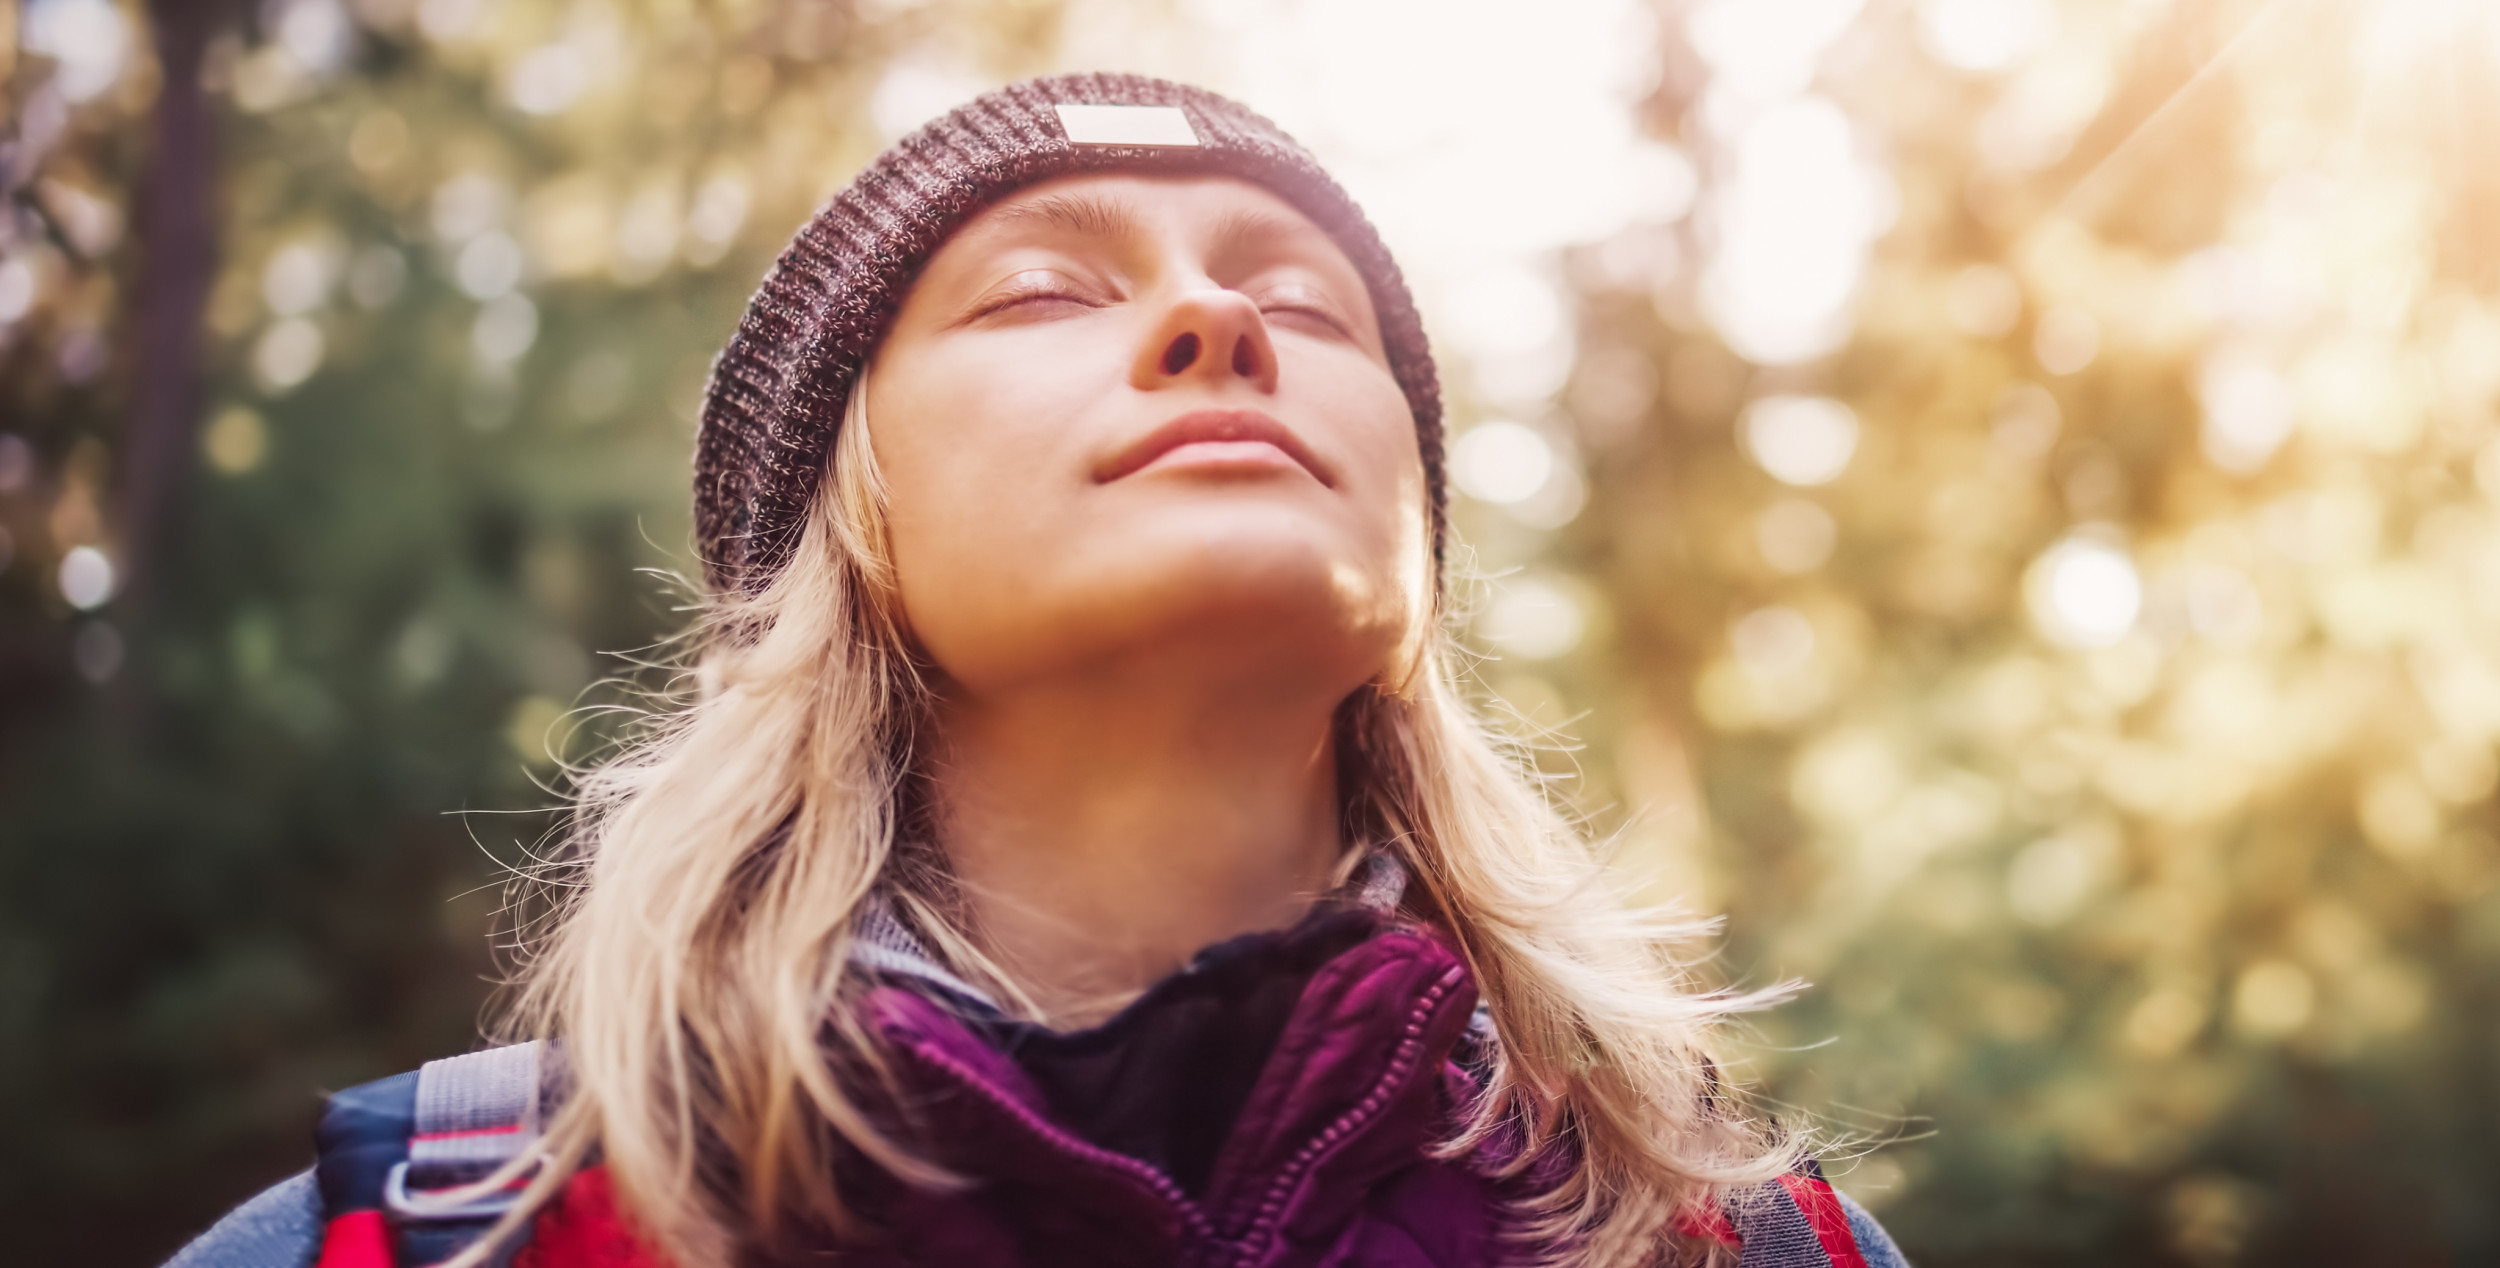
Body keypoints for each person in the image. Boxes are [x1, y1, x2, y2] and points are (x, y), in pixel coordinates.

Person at [167, 74, 1908, 1268]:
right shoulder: (418, 1237)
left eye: (1306, 309)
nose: (1215, 325)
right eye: (1036, 294)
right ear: (837, 535)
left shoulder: (1725, 1237)